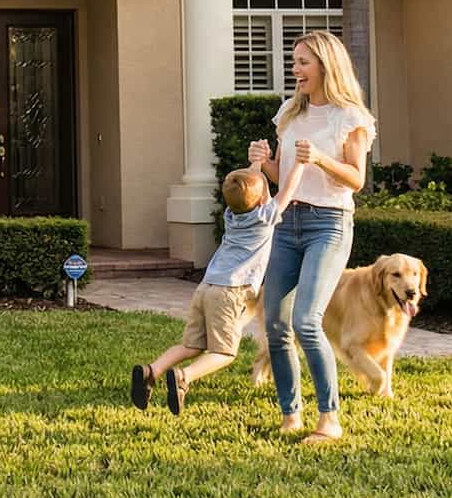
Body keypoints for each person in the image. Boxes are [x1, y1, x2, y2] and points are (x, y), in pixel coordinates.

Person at [255, 31, 375, 445]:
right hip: (287, 225)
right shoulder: (290, 112)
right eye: (294, 61)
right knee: (274, 321)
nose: (295, 68)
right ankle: (291, 413)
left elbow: (357, 180)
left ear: (326, 64)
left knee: (307, 320)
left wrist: (323, 158)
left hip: (329, 223)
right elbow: (285, 177)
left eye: (303, 61)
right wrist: (265, 163)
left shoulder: (351, 118)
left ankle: (330, 419)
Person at [129, 164, 303, 415]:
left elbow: (249, 186)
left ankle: (151, 371)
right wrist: (300, 163)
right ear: (263, 198)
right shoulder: (264, 218)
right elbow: (288, 189)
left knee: (191, 345)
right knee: (224, 352)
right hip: (230, 291)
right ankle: (183, 377)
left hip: (206, 287)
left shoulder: (231, 216)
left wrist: (256, 164)